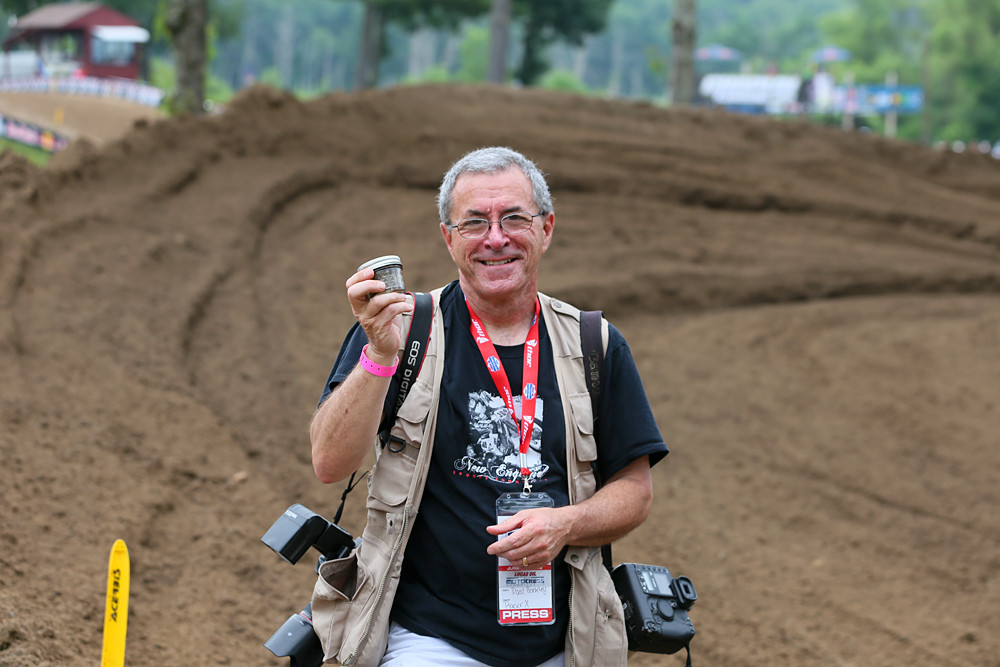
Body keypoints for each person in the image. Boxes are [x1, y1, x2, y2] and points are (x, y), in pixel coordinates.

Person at [309, 147, 668, 667]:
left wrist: (564, 524)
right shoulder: (401, 331)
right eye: (474, 222)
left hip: (564, 641)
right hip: (429, 639)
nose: (495, 238)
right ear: (448, 237)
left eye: (514, 219)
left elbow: (635, 492)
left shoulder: (595, 345)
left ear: (546, 228)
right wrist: (379, 357)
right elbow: (328, 464)